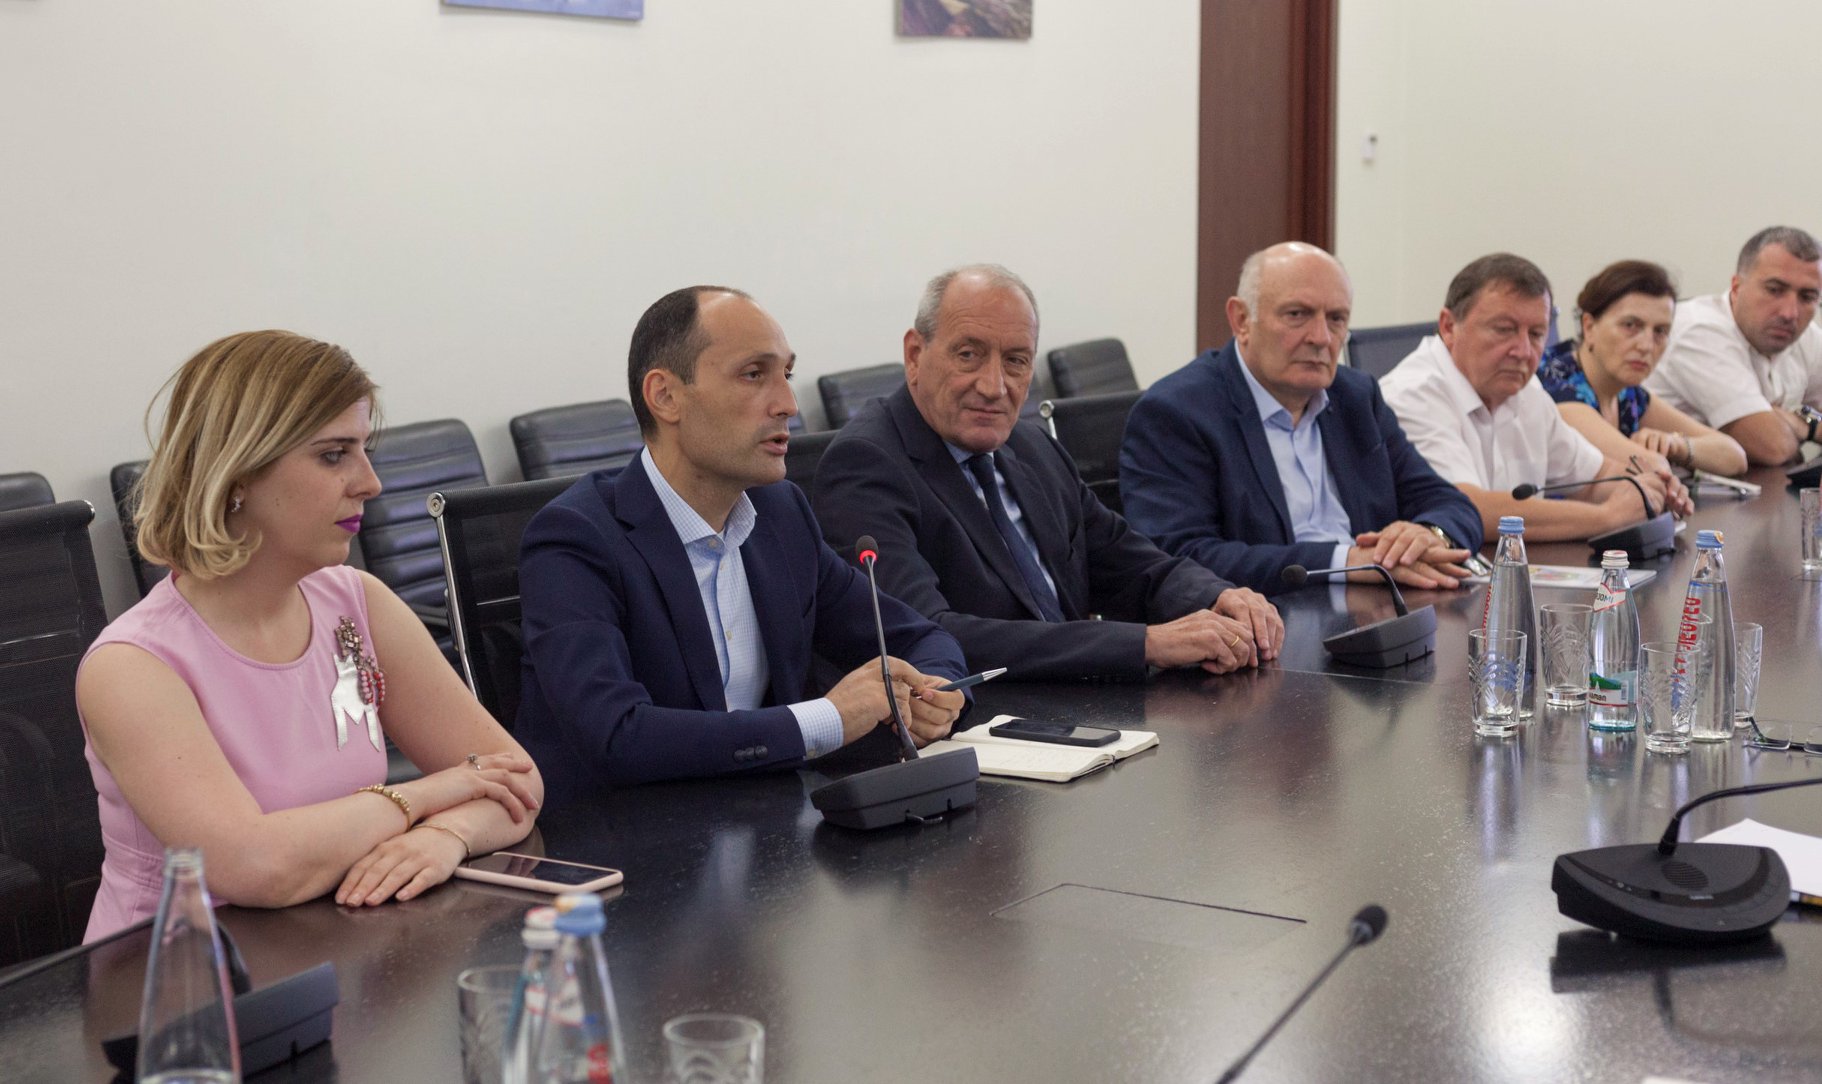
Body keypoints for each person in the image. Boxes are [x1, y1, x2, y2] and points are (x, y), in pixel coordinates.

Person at [76, 331, 542, 941]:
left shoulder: (357, 602)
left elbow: (518, 781)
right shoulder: (131, 666)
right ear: (236, 473)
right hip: (181, 970)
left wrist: (445, 835)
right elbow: (256, 867)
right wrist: (432, 794)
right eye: (333, 455)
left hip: (332, 940)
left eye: (364, 450)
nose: (370, 483)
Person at [515, 286, 968, 804]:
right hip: (621, 837)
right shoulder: (574, 540)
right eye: (754, 374)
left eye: (786, 375)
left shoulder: (780, 514)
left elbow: (918, 637)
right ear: (665, 396)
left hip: (765, 821)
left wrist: (936, 692)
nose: (788, 405)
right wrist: (828, 719)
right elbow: (617, 735)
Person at [812, 264, 1283, 682]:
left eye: (1015, 361)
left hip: (1078, 705)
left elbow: (1133, 566)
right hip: (979, 722)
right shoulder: (865, 465)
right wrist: (1144, 644)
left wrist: (1217, 597)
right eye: (968, 355)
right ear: (915, 355)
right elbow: (927, 634)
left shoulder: (1031, 447)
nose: (994, 386)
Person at [1120, 242, 1482, 595]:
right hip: (1262, 618)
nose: (1321, 338)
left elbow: (1450, 503)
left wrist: (1427, 535)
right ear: (1241, 320)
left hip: (1376, 604)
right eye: (1297, 315)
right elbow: (1179, 557)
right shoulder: (1177, 412)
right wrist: (1346, 562)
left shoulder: (1356, 397)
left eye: (1336, 319)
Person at [1379, 253, 1690, 544]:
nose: (1524, 352)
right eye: (1504, 330)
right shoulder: (1412, 393)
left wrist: (1646, 487)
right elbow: (1465, 507)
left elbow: (1596, 477)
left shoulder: (1527, 392)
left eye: (1537, 334)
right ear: (1449, 327)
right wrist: (1607, 517)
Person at [1540, 260, 1747, 477]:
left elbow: (1734, 456)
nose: (1646, 346)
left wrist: (1675, 444)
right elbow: (1651, 467)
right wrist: (1665, 455)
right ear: (1589, 327)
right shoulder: (1557, 388)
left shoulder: (1626, 393)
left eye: (1660, 331)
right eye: (1630, 326)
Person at [1644, 226, 1822, 466]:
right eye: (1774, 290)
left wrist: (1798, 423)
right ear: (1737, 287)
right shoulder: (1699, 331)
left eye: (1807, 297)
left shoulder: (1807, 336)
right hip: (1673, 485)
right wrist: (1809, 427)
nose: (1790, 313)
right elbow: (1772, 447)